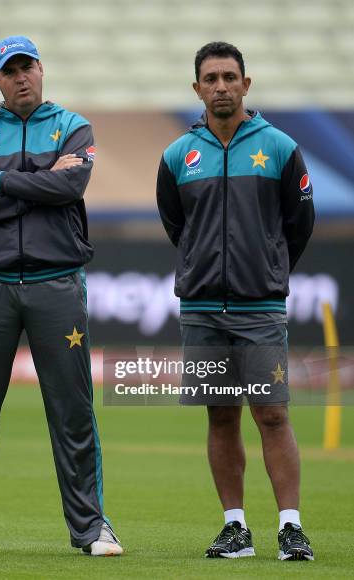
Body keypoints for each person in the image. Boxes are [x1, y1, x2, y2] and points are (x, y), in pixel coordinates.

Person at [0, 35, 122, 557]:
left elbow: (69, 190)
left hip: (55, 283)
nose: (20, 77)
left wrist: (0, 183)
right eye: (9, 70)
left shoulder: (73, 126)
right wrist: (35, 182)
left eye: (27, 66)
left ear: (41, 68)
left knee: (72, 410)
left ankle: (91, 529)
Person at [157, 42, 314, 561]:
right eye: (211, 78)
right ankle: (235, 528)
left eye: (229, 77)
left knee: (272, 414)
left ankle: (291, 528)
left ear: (247, 85)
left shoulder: (282, 148)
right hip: (202, 309)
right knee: (221, 416)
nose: (220, 86)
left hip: (259, 309)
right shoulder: (178, 156)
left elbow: (299, 223)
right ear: (196, 88)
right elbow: (175, 224)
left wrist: (266, 269)